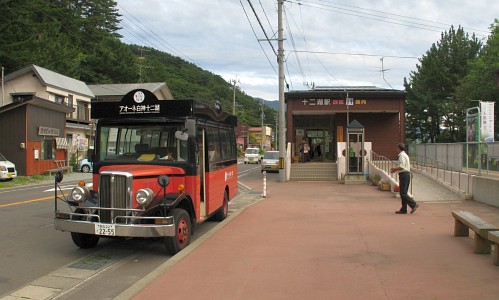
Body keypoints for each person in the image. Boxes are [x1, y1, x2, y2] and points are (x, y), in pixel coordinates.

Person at [390, 143, 419, 214]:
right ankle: (404, 209)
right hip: (406, 174)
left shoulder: (401, 156)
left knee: (402, 193)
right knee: (404, 192)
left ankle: (413, 204)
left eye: (396, 148)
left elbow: (402, 167)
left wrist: (394, 169)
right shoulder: (405, 155)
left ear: (399, 148)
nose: (396, 150)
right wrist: (396, 170)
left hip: (404, 174)